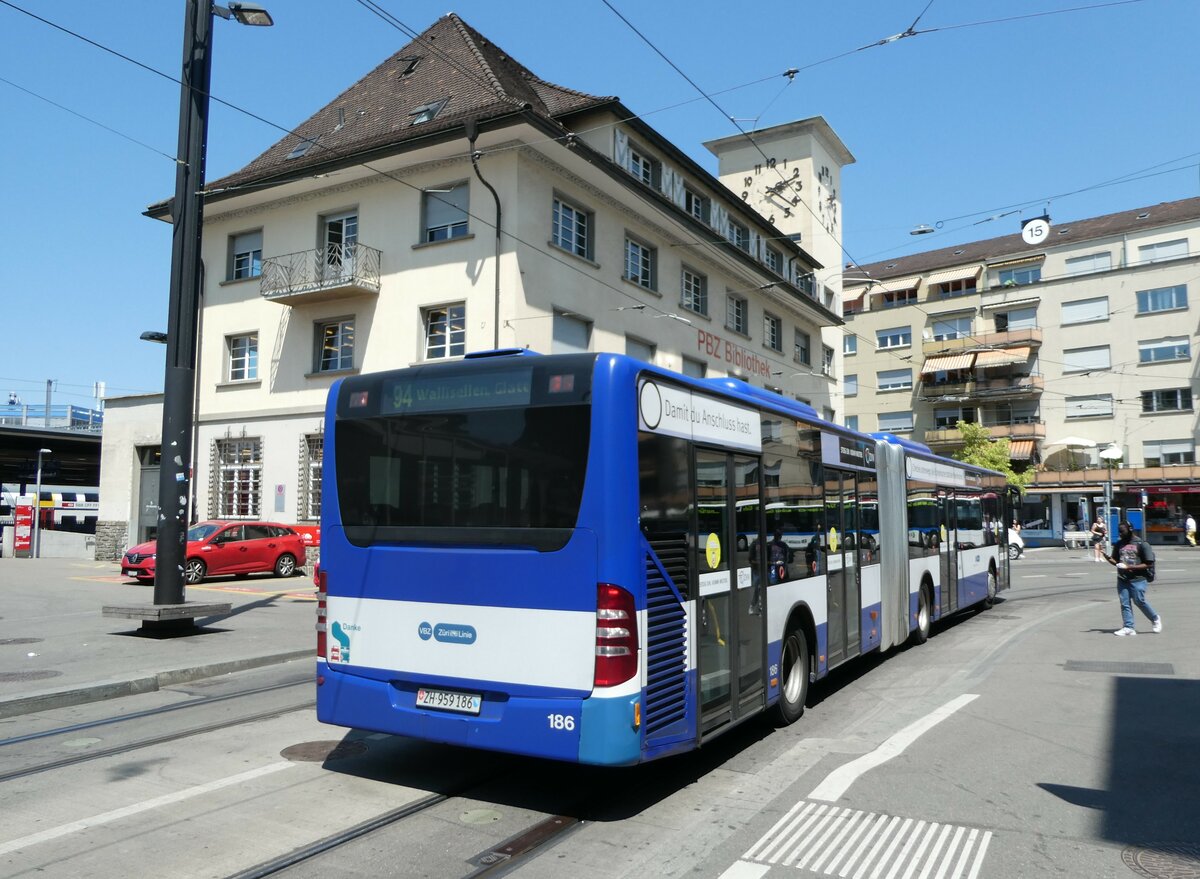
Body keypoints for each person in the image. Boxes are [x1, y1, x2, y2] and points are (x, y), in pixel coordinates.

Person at [1105, 520, 1161, 636]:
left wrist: (1130, 567)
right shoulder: (1119, 544)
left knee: (1139, 601)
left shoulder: (1141, 544)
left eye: (1122, 531)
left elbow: (1149, 563)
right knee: (1124, 603)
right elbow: (1116, 561)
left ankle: (1155, 618)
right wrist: (1107, 558)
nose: (1120, 534)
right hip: (1122, 578)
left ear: (1130, 530)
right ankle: (1128, 627)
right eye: (1119, 532)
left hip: (1138, 578)